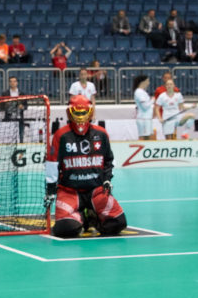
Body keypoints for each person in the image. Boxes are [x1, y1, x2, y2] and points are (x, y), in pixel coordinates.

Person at [45, 95, 125, 238]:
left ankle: (92, 215)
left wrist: (107, 179)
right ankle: (81, 215)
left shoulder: (101, 133)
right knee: (66, 230)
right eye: (77, 112)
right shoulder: (61, 135)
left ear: (90, 112)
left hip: (97, 191)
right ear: (70, 112)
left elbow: (108, 160)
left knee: (118, 224)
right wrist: (50, 189)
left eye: (84, 112)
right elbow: (52, 163)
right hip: (69, 192)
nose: (80, 117)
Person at [132, 74, 155, 140]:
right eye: (147, 81)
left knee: (149, 137)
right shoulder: (139, 92)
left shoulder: (142, 92)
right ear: (143, 82)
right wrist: (153, 100)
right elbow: (145, 106)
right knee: (143, 137)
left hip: (147, 118)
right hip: (143, 119)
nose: (149, 83)